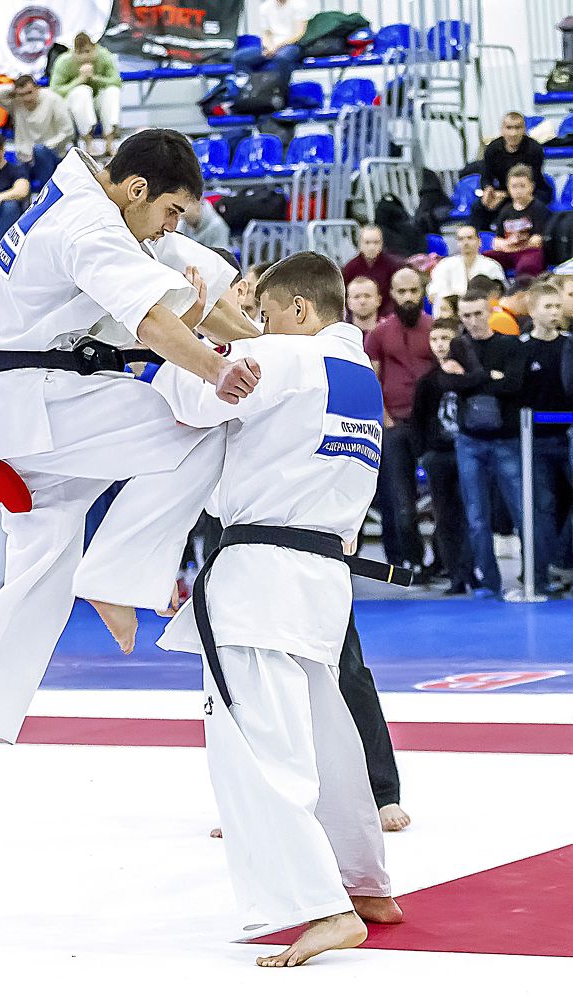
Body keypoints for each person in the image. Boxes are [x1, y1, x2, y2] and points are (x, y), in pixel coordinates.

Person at [0, 130, 261, 812]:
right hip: (41, 405)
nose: (173, 226)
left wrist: (268, 343)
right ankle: (119, 576)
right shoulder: (89, 225)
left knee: (41, 582)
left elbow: (202, 300)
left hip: (29, 414)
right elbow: (153, 323)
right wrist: (217, 370)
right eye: (171, 210)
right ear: (139, 190)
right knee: (202, 430)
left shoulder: (103, 208)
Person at [73, 252, 402, 966]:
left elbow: (193, 398)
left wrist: (187, 328)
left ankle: (317, 906)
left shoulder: (287, 357)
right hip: (321, 573)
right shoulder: (356, 371)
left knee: (256, 750)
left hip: (260, 574)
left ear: (298, 311)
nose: (256, 326)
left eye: (264, 314)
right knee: (329, 736)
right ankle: (362, 882)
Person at [442, 290, 526, 598]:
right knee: (477, 517)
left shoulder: (509, 344)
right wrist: (489, 376)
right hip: (470, 440)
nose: (473, 321)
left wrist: (472, 379)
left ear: (489, 312)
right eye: (466, 315)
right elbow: (449, 383)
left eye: (478, 313)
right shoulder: (458, 346)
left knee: (521, 512)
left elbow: (514, 385)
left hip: (506, 438)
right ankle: (489, 582)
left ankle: (533, 574)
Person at [365, 267, 434, 576]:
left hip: (431, 427)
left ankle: (443, 564)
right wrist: (384, 417)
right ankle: (411, 561)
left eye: (413, 291)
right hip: (395, 425)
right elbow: (372, 378)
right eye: (402, 291)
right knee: (400, 502)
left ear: (422, 293)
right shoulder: (379, 333)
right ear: (391, 294)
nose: (408, 297)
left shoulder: (434, 328)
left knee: (444, 501)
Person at [411, 319, 474, 594]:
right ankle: (455, 575)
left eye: (445, 338)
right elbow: (418, 420)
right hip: (437, 455)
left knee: (472, 514)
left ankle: (472, 571)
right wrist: (423, 454)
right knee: (445, 517)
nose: (439, 345)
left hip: (468, 451)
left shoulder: (471, 375)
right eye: (434, 339)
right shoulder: (427, 381)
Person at [519, 282, 572, 596]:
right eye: (547, 307)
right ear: (532, 310)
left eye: (557, 306)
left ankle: (561, 562)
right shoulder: (522, 348)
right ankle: (545, 572)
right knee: (544, 507)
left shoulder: (569, 344)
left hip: (568, 436)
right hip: (534, 441)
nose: (554, 312)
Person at [471, 111, 553, 232]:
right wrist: (488, 190)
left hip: (533, 190)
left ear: (524, 129)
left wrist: (505, 194)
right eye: (509, 128)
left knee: (524, 205)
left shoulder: (534, 149)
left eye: (517, 128)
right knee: (478, 207)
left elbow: (533, 181)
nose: (513, 133)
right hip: (504, 191)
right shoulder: (492, 149)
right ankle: (481, 239)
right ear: (502, 130)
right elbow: (486, 176)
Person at [0, 75, 75, 188]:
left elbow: (68, 131)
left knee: (39, 150)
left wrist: (47, 146)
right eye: (22, 94)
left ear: (38, 89)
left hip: (52, 156)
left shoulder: (52, 99)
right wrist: (14, 89)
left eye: (29, 92)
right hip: (25, 158)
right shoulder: (16, 102)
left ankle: (47, 194)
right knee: (11, 178)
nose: (27, 98)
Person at [50, 33, 121, 158]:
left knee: (112, 91)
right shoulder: (64, 61)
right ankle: (88, 143)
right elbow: (55, 90)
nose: (84, 56)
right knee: (82, 91)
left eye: (87, 51)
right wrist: (79, 80)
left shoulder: (104, 56)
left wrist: (94, 78)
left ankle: (109, 142)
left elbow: (116, 81)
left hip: (97, 100)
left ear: (94, 48)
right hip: (72, 105)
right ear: (74, 52)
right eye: (80, 52)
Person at [483, 166, 550, 278]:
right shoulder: (505, 210)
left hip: (529, 252)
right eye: (514, 186)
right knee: (484, 260)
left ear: (531, 187)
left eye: (522, 186)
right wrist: (506, 245)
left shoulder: (539, 209)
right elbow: (497, 240)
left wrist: (512, 246)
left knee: (527, 265)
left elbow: (537, 241)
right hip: (509, 251)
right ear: (508, 188)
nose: (518, 191)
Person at [427, 225, 505, 303]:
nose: (465, 243)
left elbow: (499, 294)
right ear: (457, 243)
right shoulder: (444, 265)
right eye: (461, 239)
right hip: (451, 307)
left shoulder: (492, 266)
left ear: (479, 242)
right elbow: (433, 292)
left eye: (470, 238)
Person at [234, 0, 308, 83]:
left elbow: (299, 34)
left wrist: (277, 47)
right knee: (239, 57)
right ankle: (249, 87)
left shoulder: (299, 4)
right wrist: (268, 47)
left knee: (281, 58)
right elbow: (266, 33)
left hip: (292, 45)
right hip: (271, 46)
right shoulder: (265, 7)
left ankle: (280, 89)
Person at [342, 226, 402, 317]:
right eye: (367, 242)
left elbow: (396, 295)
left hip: (387, 315)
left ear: (381, 243)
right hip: (356, 317)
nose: (371, 247)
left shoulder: (393, 266)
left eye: (376, 242)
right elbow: (345, 296)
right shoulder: (350, 268)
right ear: (360, 244)